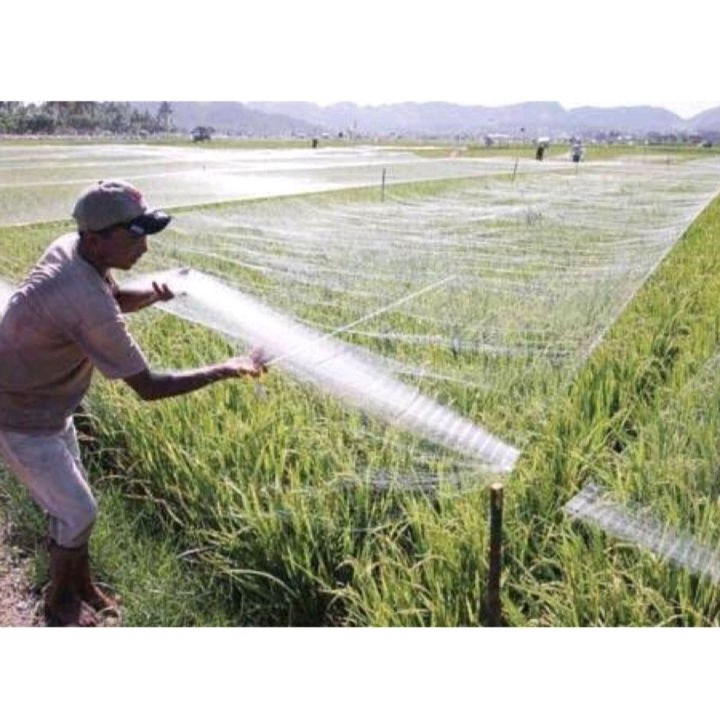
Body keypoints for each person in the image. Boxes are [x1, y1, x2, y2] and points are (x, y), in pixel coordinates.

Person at [0, 179, 267, 627]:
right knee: (78, 510)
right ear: (96, 239)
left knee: (71, 511)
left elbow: (114, 297)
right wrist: (229, 366)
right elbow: (150, 386)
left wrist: (161, 290)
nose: (144, 247)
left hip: (47, 403)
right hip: (17, 415)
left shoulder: (73, 248)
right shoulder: (80, 297)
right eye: (135, 234)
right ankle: (59, 604)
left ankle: (81, 585)